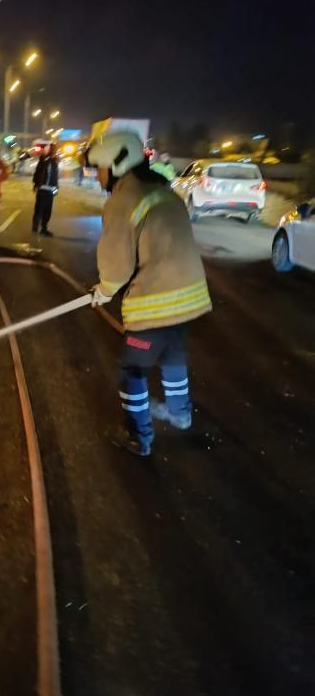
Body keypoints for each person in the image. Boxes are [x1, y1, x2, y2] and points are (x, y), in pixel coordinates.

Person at [88, 130, 212, 457]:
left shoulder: (123, 199)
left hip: (157, 302)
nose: (97, 174)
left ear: (117, 164)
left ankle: (138, 437)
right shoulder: (162, 190)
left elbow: (116, 264)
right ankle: (180, 413)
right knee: (173, 355)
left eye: (99, 167)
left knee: (132, 368)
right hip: (191, 298)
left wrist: (104, 291)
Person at [32, 142, 59, 235]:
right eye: (52, 149)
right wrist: (35, 184)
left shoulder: (54, 161)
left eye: (54, 149)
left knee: (48, 210)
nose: (53, 151)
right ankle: (35, 226)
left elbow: (55, 176)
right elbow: (38, 172)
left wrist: (56, 189)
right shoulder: (44, 159)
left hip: (50, 189)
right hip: (42, 189)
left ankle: (44, 228)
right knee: (39, 208)